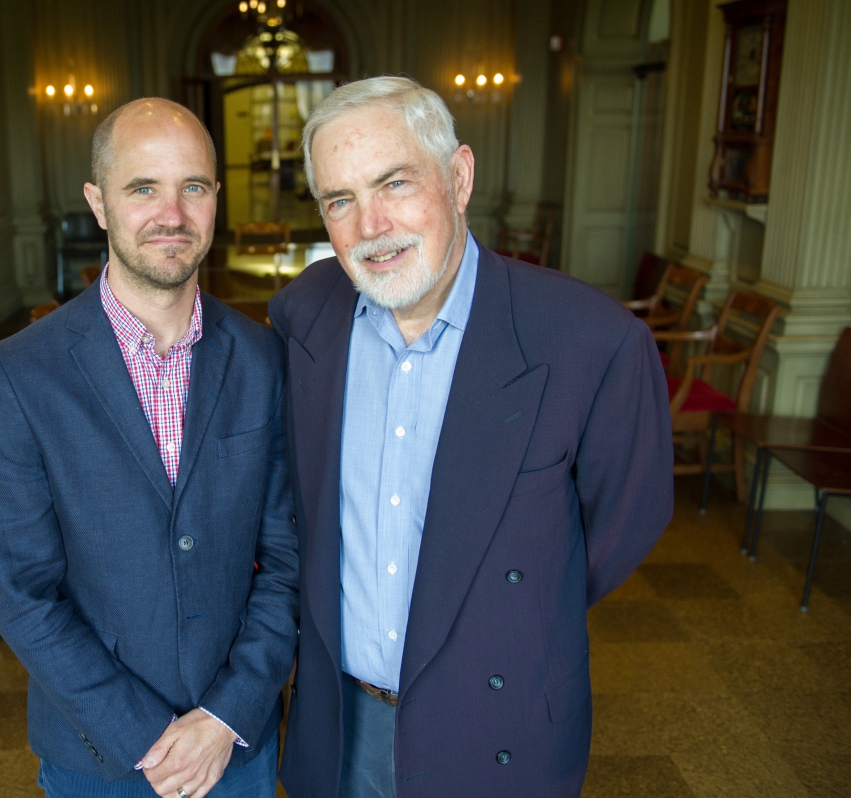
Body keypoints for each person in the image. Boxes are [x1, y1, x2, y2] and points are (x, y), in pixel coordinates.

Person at [268, 76, 673, 797]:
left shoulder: (592, 341)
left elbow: (622, 523)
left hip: (496, 727)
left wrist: (503, 607)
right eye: (340, 200)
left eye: (394, 183)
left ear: (457, 177)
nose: (369, 226)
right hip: (339, 726)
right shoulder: (305, 316)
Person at [0, 98, 298, 798]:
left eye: (194, 187)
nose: (172, 214)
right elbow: (21, 594)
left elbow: (287, 562)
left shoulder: (264, 358)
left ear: (217, 198)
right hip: (97, 753)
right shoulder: (20, 373)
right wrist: (146, 738)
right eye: (142, 187)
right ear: (98, 202)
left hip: (235, 746)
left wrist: (223, 718)